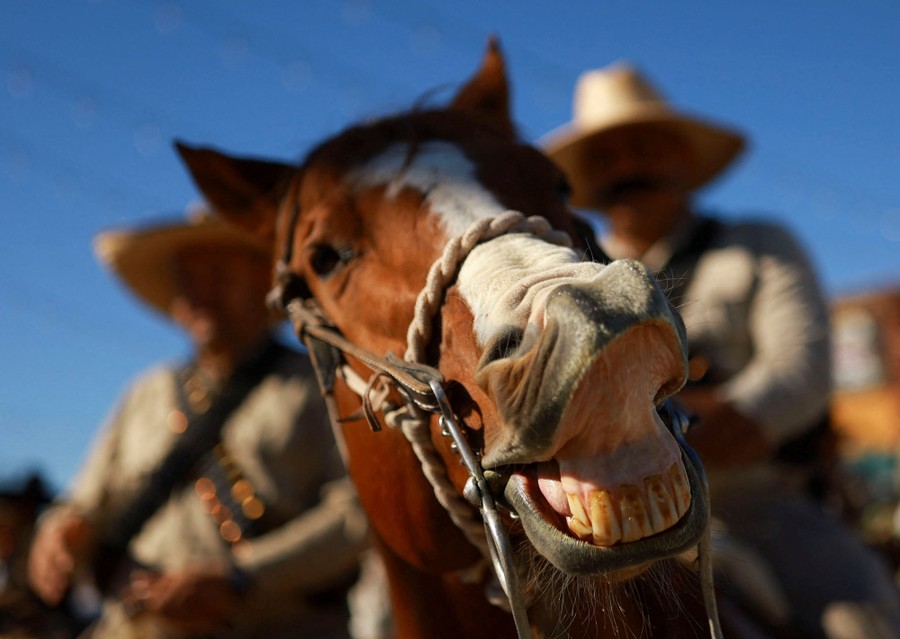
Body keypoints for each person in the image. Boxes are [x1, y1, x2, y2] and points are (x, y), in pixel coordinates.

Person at [541, 62, 900, 639]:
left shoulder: (759, 247)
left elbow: (800, 373)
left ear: (683, 161)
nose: (626, 167)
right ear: (589, 181)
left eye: (644, 149)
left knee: (859, 621)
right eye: (606, 157)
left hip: (758, 506)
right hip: (601, 521)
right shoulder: (569, 281)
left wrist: (665, 440)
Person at [27, 208, 370, 639]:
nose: (198, 291)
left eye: (218, 274)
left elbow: (356, 516)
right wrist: (61, 532)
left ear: (264, 284)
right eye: (186, 278)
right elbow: (86, 502)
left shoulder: (320, 386)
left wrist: (241, 577)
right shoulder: (146, 393)